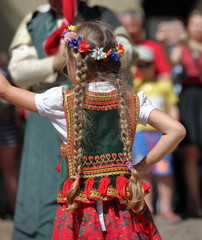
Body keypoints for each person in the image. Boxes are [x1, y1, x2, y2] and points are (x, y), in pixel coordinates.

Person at [0, 21, 186, 239]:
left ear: (73, 61)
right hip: (124, 214)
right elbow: (176, 130)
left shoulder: (61, 101)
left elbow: (5, 91)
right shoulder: (131, 101)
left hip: (80, 214)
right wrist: (140, 167)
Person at [8, 1, 136, 239]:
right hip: (45, 111)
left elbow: (125, 52)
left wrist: (91, 58)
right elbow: (17, 70)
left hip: (97, 109)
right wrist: (55, 62)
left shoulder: (103, 15)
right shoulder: (34, 20)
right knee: (41, 179)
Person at [132, 45, 181, 222]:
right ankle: (148, 208)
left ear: (154, 64)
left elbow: (173, 108)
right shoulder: (135, 85)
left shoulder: (164, 84)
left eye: (147, 64)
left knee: (164, 171)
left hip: (160, 134)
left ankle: (166, 207)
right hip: (140, 135)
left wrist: (174, 137)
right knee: (143, 170)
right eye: (140, 64)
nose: (143, 68)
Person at [170, 9, 202, 217]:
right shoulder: (181, 49)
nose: (199, 27)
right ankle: (194, 201)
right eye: (195, 23)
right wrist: (178, 42)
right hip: (190, 99)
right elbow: (170, 63)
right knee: (190, 150)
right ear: (188, 26)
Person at [119, 10, 172, 80]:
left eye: (133, 25)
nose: (129, 31)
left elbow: (166, 75)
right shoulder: (115, 48)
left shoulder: (154, 47)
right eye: (125, 27)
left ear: (142, 26)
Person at [0, 51, 23, 217]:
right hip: (12, 130)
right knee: (14, 170)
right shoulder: (8, 72)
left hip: (5, 131)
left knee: (9, 172)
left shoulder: (3, 74)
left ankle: (15, 209)